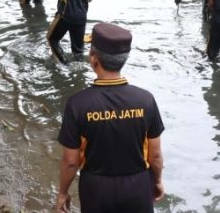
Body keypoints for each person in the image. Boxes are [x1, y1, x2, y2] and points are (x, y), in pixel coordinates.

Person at [56, 22, 165, 213]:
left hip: (96, 189)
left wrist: (63, 193)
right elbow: (154, 155)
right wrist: (156, 181)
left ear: (94, 59)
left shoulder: (77, 104)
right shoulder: (146, 100)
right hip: (138, 186)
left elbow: (71, 161)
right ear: (124, 59)